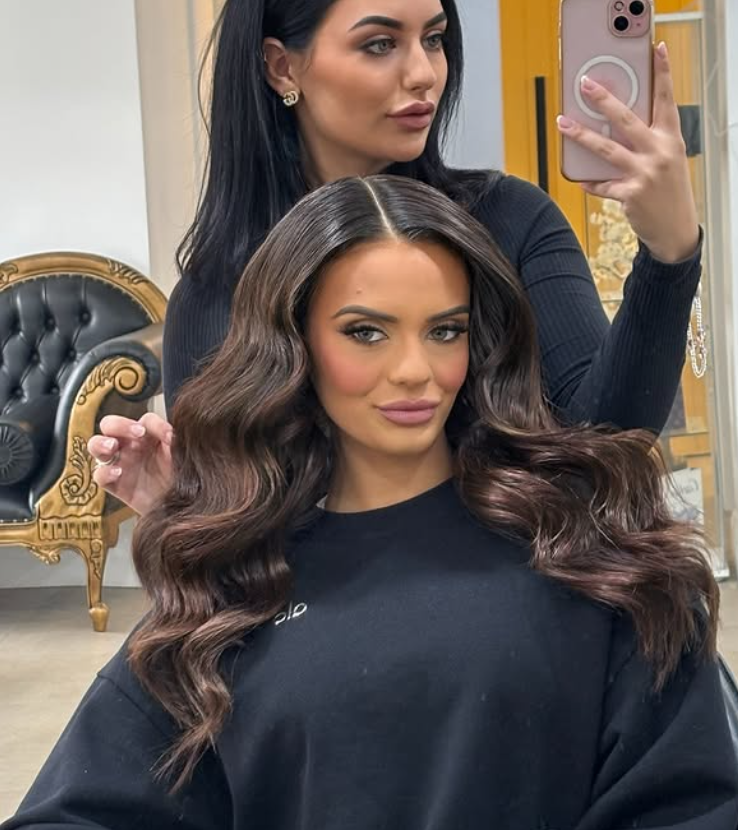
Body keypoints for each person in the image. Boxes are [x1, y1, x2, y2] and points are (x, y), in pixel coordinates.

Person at [6, 176, 738, 830]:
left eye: (444, 330)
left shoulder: (592, 559)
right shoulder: (230, 593)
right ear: (293, 344)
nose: (416, 371)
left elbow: (688, 799)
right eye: (365, 332)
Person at [88, 0, 704, 517]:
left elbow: (608, 434)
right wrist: (180, 513)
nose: (424, 74)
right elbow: (236, 538)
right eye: (380, 44)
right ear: (282, 67)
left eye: (434, 39)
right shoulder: (217, 291)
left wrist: (669, 252)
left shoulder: (512, 222)